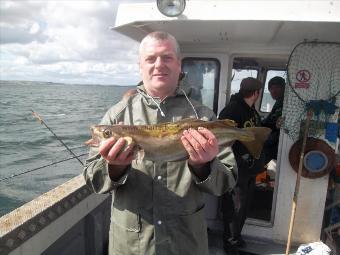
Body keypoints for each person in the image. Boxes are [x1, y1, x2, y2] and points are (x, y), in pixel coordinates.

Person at [83, 31, 237, 255]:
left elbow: (227, 181)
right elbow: (92, 179)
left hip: (185, 244)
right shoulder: (117, 115)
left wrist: (204, 166)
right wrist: (114, 168)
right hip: (131, 246)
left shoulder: (204, 118)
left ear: (178, 64)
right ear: (140, 65)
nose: (158, 65)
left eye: (167, 57)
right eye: (150, 58)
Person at [218, 77, 266, 254]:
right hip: (236, 169)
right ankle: (229, 243)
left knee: (243, 206)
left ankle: (236, 236)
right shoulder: (231, 110)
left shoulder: (251, 110)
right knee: (233, 206)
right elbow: (221, 140)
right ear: (256, 93)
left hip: (250, 169)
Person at [262, 76, 285, 163]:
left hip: (277, 140)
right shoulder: (279, 101)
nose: (273, 91)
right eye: (271, 88)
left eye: (277, 87)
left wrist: (260, 124)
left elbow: (272, 122)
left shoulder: (283, 102)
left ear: (283, 88)